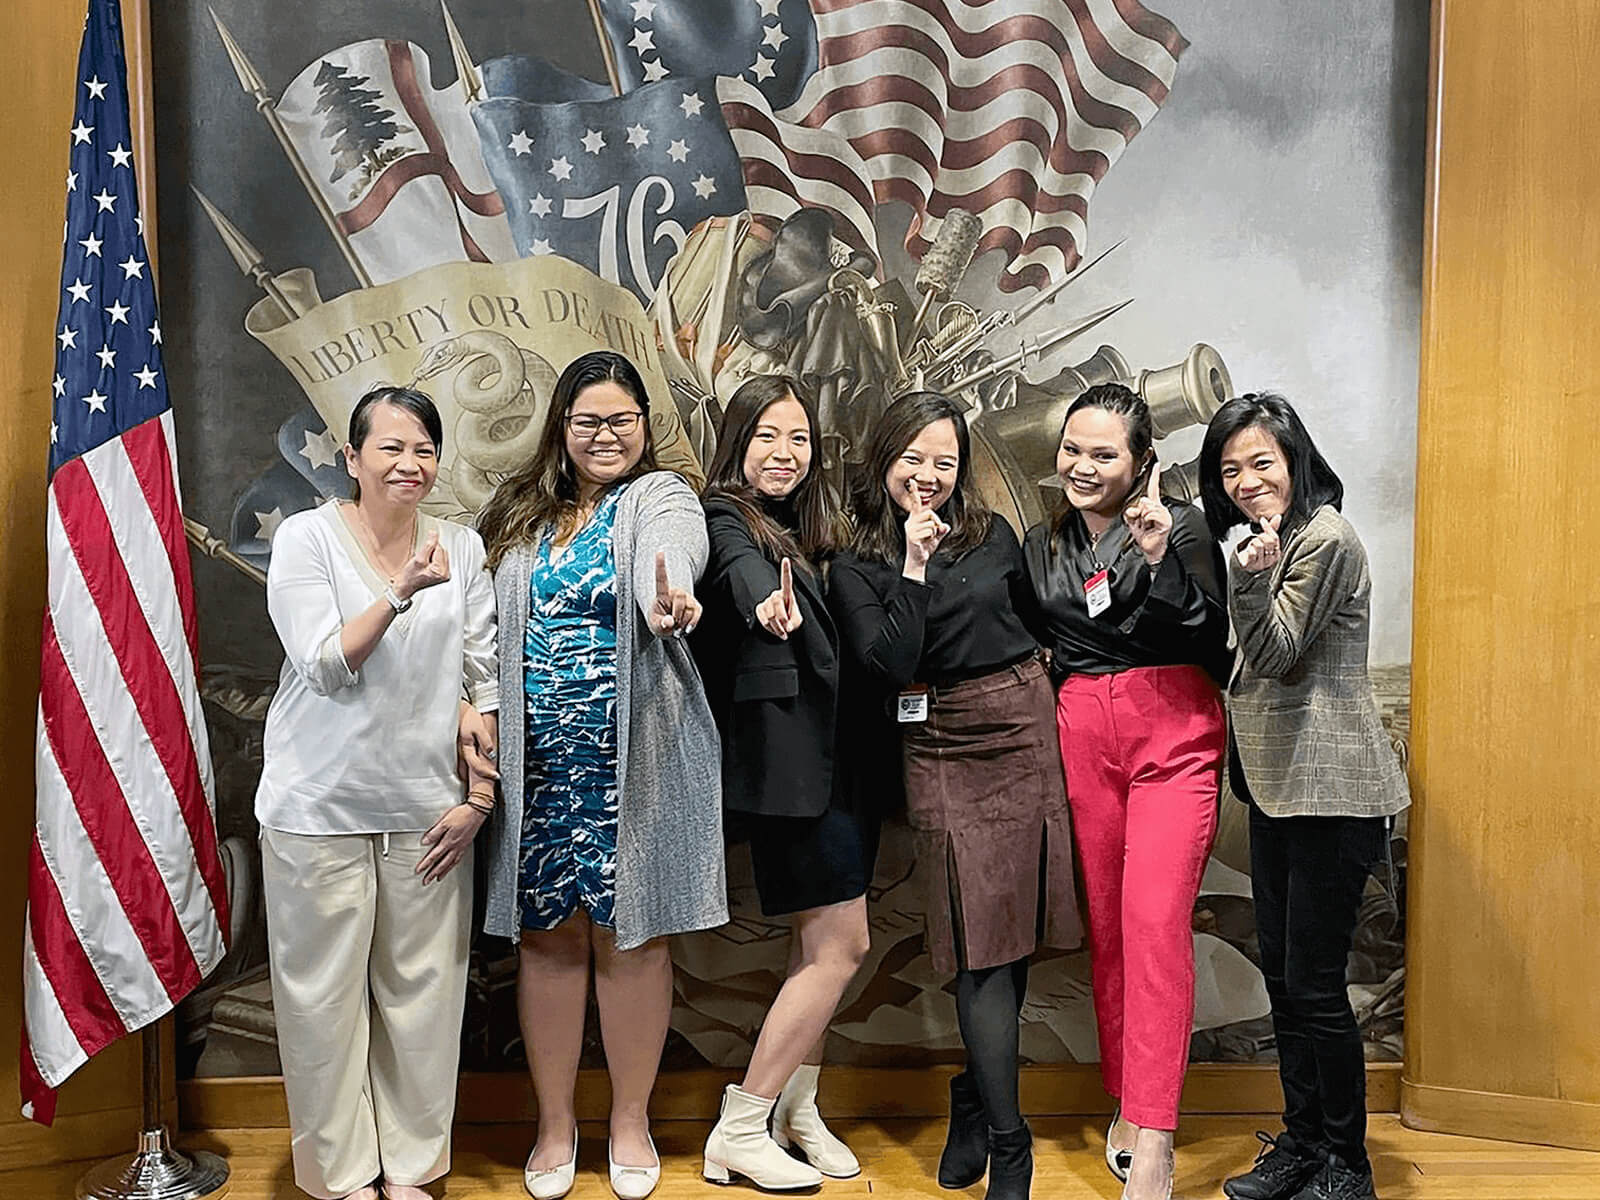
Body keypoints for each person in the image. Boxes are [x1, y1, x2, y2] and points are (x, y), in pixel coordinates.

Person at [475, 350, 728, 1200]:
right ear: (563, 428)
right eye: (588, 422)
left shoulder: (657, 498)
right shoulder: (517, 511)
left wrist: (674, 598)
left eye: (622, 420)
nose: (606, 435)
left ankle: (629, 1120)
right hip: (537, 772)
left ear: (645, 427)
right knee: (547, 940)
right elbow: (478, 624)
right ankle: (554, 1125)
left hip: (635, 766)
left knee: (632, 938)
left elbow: (673, 550)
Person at [830, 391, 1081, 1200]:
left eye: (945, 461)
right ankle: (1011, 1141)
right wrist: (911, 561)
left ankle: (976, 1098)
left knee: (1015, 931)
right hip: (937, 739)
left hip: (1021, 723)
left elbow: (1044, 620)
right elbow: (893, 664)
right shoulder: (855, 562)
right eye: (914, 459)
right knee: (978, 944)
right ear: (885, 461)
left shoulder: (993, 533)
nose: (930, 476)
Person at [257, 385, 498, 1200]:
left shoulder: (462, 548)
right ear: (352, 460)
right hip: (317, 809)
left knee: (425, 999)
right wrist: (399, 595)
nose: (411, 462)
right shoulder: (306, 539)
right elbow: (324, 665)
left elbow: (484, 672)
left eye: (425, 447)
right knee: (321, 1001)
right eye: (390, 448)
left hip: (428, 810)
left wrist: (479, 796)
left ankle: (413, 1169)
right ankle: (341, 1177)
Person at [1023, 382, 1231, 1200]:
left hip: (1172, 730)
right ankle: (1126, 1100)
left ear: (1142, 461)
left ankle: (1156, 1134)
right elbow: (1034, 630)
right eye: (1072, 449)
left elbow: (1210, 635)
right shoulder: (1044, 543)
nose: (1082, 465)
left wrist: (1155, 558)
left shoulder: (1180, 527)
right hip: (1083, 732)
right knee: (1108, 928)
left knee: (1154, 923)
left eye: (1103, 453)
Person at [1200, 394, 1409, 1200]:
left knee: (1315, 984)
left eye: (1263, 463)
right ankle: (1302, 1142)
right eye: (1232, 469)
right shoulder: (1271, 541)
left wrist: (1245, 583)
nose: (1248, 481)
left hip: (1333, 794)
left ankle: (1347, 1166)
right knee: (1287, 980)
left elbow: (1280, 654)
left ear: (1296, 463)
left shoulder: (1323, 540)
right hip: (1283, 791)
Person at [692, 375, 872, 1190]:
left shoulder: (816, 524)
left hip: (844, 764)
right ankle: (742, 1121)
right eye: (767, 435)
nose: (784, 453)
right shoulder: (725, 513)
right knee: (844, 945)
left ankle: (799, 1109)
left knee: (815, 943)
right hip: (790, 770)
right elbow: (737, 573)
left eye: (798, 438)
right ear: (738, 441)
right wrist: (767, 604)